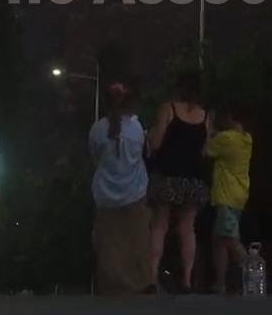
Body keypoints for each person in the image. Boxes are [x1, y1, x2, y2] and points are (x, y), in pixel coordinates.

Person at [147, 67, 210, 292]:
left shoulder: (169, 109)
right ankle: (186, 279)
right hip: (193, 179)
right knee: (187, 227)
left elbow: (155, 142)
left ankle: (153, 277)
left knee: (160, 225)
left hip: (167, 175)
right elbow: (206, 150)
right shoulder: (205, 116)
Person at [88, 82, 153, 295]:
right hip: (134, 192)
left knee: (109, 245)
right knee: (137, 241)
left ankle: (112, 286)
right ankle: (141, 283)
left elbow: (93, 156)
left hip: (106, 195)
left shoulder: (98, 129)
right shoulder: (136, 129)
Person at [206, 106, 253, 294]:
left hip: (226, 195)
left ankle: (253, 274)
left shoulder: (226, 138)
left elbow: (206, 151)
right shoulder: (247, 139)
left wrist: (209, 129)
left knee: (230, 239)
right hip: (239, 194)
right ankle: (220, 283)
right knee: (219, 240)